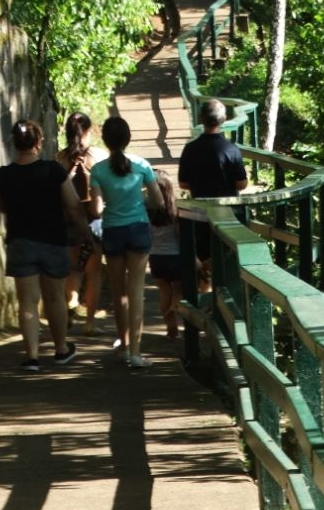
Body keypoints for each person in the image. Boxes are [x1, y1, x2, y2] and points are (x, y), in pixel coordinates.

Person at [0, 119, 90, 372]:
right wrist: (84, 231)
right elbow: (73, 205)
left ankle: (32, 357)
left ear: (15, 143)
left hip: (20, 241)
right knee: (55, 297)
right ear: (38, 143)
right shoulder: (53, 171)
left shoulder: (3, 175)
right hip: (52, 240)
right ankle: (61, 350)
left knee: (27, 301)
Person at [89, 115, 163, 369]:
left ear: (105, 140)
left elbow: (97, 209)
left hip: (113, 232)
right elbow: (159, 201)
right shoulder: (142, 165)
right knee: (137, 291)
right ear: (128, 138)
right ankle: (136, 352)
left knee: (119, 292)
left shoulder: (97, 171)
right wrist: (140, 201)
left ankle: (122, 343)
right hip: (138, 230)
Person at [177, 98, 248, 292]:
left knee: (204, 256)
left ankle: (206, 296)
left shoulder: (190, 149)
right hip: (227, 215)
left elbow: (183, 183)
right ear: (224, 119)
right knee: (224, 258)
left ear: (201, 119)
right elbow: (241, 184)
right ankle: (222, 299)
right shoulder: (231, 149)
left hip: (199, 214)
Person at [56, 112, 107, 334]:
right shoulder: (98, 156)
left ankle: (71, 302)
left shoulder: (59, 158)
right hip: (93, 220)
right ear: (87, 131)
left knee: (73, 269)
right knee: (93, 272)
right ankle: (90, 324)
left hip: (68, 220)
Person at [147, 170, 182, 340]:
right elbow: (179, 236)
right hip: (175, 257)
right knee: (178, 292)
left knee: (163, 292)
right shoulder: (176, 212)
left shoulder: (147, 211)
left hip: (156, 257)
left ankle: (171, 327)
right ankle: (177, 311)